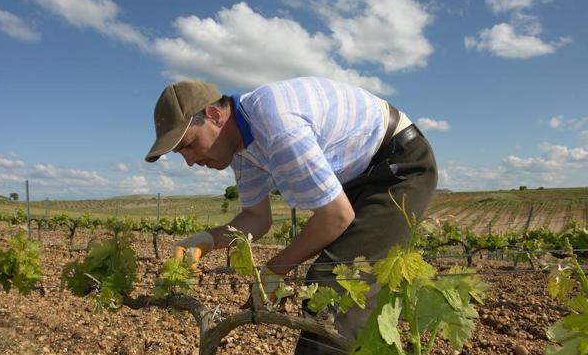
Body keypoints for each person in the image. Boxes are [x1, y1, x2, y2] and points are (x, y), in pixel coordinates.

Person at [145, 76, 437, 354]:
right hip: (361, 175)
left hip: (399, 168)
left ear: (213, 115)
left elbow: (335, 217)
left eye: (189, 145)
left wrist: (274, 269)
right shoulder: (241, 150)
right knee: (344, 285)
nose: (190, 161)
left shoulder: (274, 124)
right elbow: (256, 218)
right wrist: (204, 241)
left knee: (333, 284)